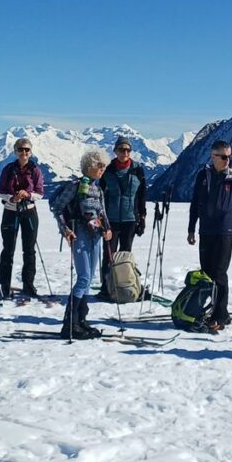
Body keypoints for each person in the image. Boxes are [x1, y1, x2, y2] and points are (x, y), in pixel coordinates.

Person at [187, 139, 232, 331]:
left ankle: (221, 316)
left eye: (230, 156)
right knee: (207, 273)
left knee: (220, 274)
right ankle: (214, 310)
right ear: (213, 157)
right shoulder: (203, 175)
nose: (227, 160)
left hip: (224, 232)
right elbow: (195, 203)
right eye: (223, 156)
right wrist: (191, 229)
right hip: (205, 231)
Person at [55, 150, 112, 339]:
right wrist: (65, 230)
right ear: (89, 167)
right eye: (99, 166)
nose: (103, 169)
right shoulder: (75, 186)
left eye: (104, 166)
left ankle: (81, 320)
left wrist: (107, 229)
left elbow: (102, 213)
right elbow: (58, 208)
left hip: (95, 236)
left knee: (89, 278)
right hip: (79, 233)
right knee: (84, 276)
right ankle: (70, 324)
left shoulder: (98, 189)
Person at [98, 136, 147, 296]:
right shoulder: (107, 170)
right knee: (109, 255)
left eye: (127, 149)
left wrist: (142, 218)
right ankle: (106, 288)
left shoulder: (137, 170)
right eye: (121, 149)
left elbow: (141, 196)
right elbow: (100, 196)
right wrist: (100, 219)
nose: (124, 152)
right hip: (110, 220)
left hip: (130, 219)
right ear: (115, 151)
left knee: (126, 254)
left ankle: (123, 287)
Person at [0, 137, 45, 299]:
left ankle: (28, 284)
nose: (24, 153)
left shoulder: (35, 170)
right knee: (8, 249)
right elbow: (0, 190)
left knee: (29, 250)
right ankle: (5, 284)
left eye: (27, 150)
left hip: (29, 211)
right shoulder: (8, 169)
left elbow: (40, 193)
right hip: (10, 211)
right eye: (21, 150)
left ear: (30, 152)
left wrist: (28, 195)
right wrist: (12, 197)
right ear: (15, 151)